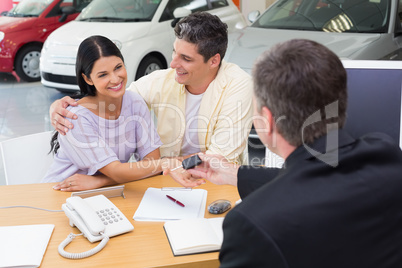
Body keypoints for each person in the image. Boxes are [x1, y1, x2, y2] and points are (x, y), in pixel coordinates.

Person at [185, 39, 402, 267]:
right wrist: (236, 174)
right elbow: (319, 181)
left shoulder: (253, 225)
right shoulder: (387, 155)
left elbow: (305, 188)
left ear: (268, 121)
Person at [49, 12, 253, 170]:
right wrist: (61, 106)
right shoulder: (163, 80)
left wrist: (106, 179)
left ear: (214, 61)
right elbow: (115, 98)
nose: (173, 64)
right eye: (174, 52)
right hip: (164, 180)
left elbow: (218, 160)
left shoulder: (239, 85)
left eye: (186, 58)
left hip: (214, 183)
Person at [42, 35, 179, 191]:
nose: (115, 79)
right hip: (62, 192)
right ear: (88, 79)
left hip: (107, 192)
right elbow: (119, 171)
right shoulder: (76, 118)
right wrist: (171, 163)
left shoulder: (135, 103)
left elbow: (152, 163)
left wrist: (100, 181)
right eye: (103, 75)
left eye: (118, 67)